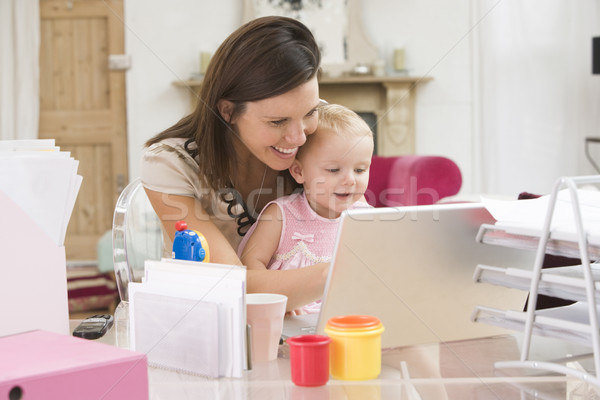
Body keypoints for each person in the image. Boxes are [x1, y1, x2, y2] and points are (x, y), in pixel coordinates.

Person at [140, 16, 325, 311]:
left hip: (305, 324)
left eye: (310, 112)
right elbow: (228, 285)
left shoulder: (319, 136)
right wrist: (343, 270)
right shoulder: (170, 163)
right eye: (278, 121)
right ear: (228, 112)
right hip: (210, 325)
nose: (298, 136)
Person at [237, 104, 374, 314]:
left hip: (348, 318)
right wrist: (275, 301)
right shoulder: (281, 215)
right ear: (299, 171)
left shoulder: (366, 218)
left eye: (360, 169)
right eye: (333, 170)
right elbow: (250, 266)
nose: (350, 180)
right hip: (291, 318)